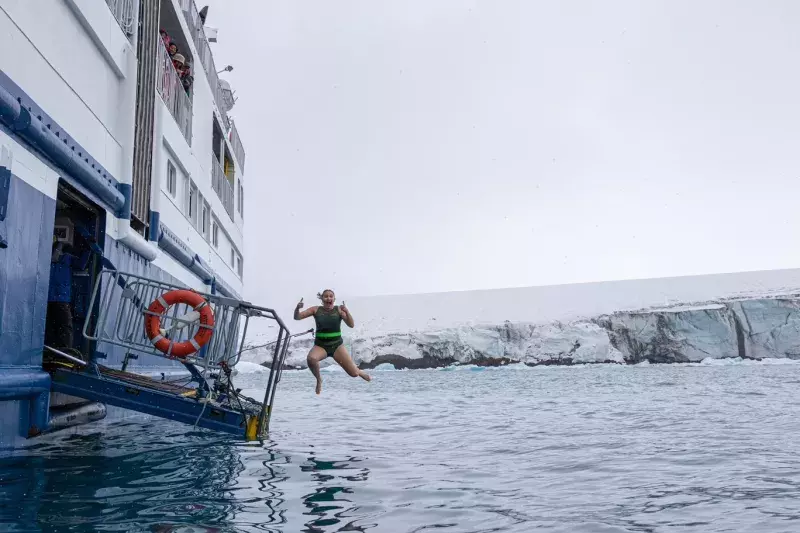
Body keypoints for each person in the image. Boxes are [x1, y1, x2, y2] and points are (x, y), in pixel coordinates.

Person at [294, 289, 371, 394]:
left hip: (337, 346)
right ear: (322, 299)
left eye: (331, 296)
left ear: (334, 299)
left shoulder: (338, 310)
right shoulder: (315, 310)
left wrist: (347, 312)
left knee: (353, 374)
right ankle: (319, 380)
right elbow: (297, 317)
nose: (328, 298)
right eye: (326, 296)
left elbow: (351, 325)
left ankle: (359, 372)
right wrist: (297, 308)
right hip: (321, 346)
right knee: (311, 359)